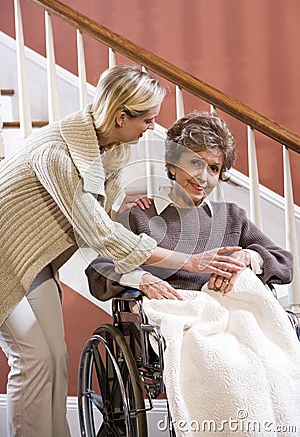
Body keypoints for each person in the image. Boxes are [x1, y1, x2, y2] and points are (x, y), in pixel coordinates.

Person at [0, 66, 244, 437]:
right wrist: (187, 260)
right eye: (148, 119)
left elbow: (102, 207)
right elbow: (100, 233)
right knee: (33, 358)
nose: (152, 127)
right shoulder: (58, 154)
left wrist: (126, 202)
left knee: (57, 358)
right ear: (121, 116)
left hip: (34, 263)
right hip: (4, 259)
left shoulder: (112, 146)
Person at [86, 110, 293, 300]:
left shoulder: (232, 217)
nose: (203, 177)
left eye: (213, 168)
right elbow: (99, 271)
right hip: (177, 319)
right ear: (173, 165)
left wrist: (247, 256)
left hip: (229, 320)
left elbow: (284, 262)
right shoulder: (139, 214)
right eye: (195, 163)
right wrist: (142, 279)